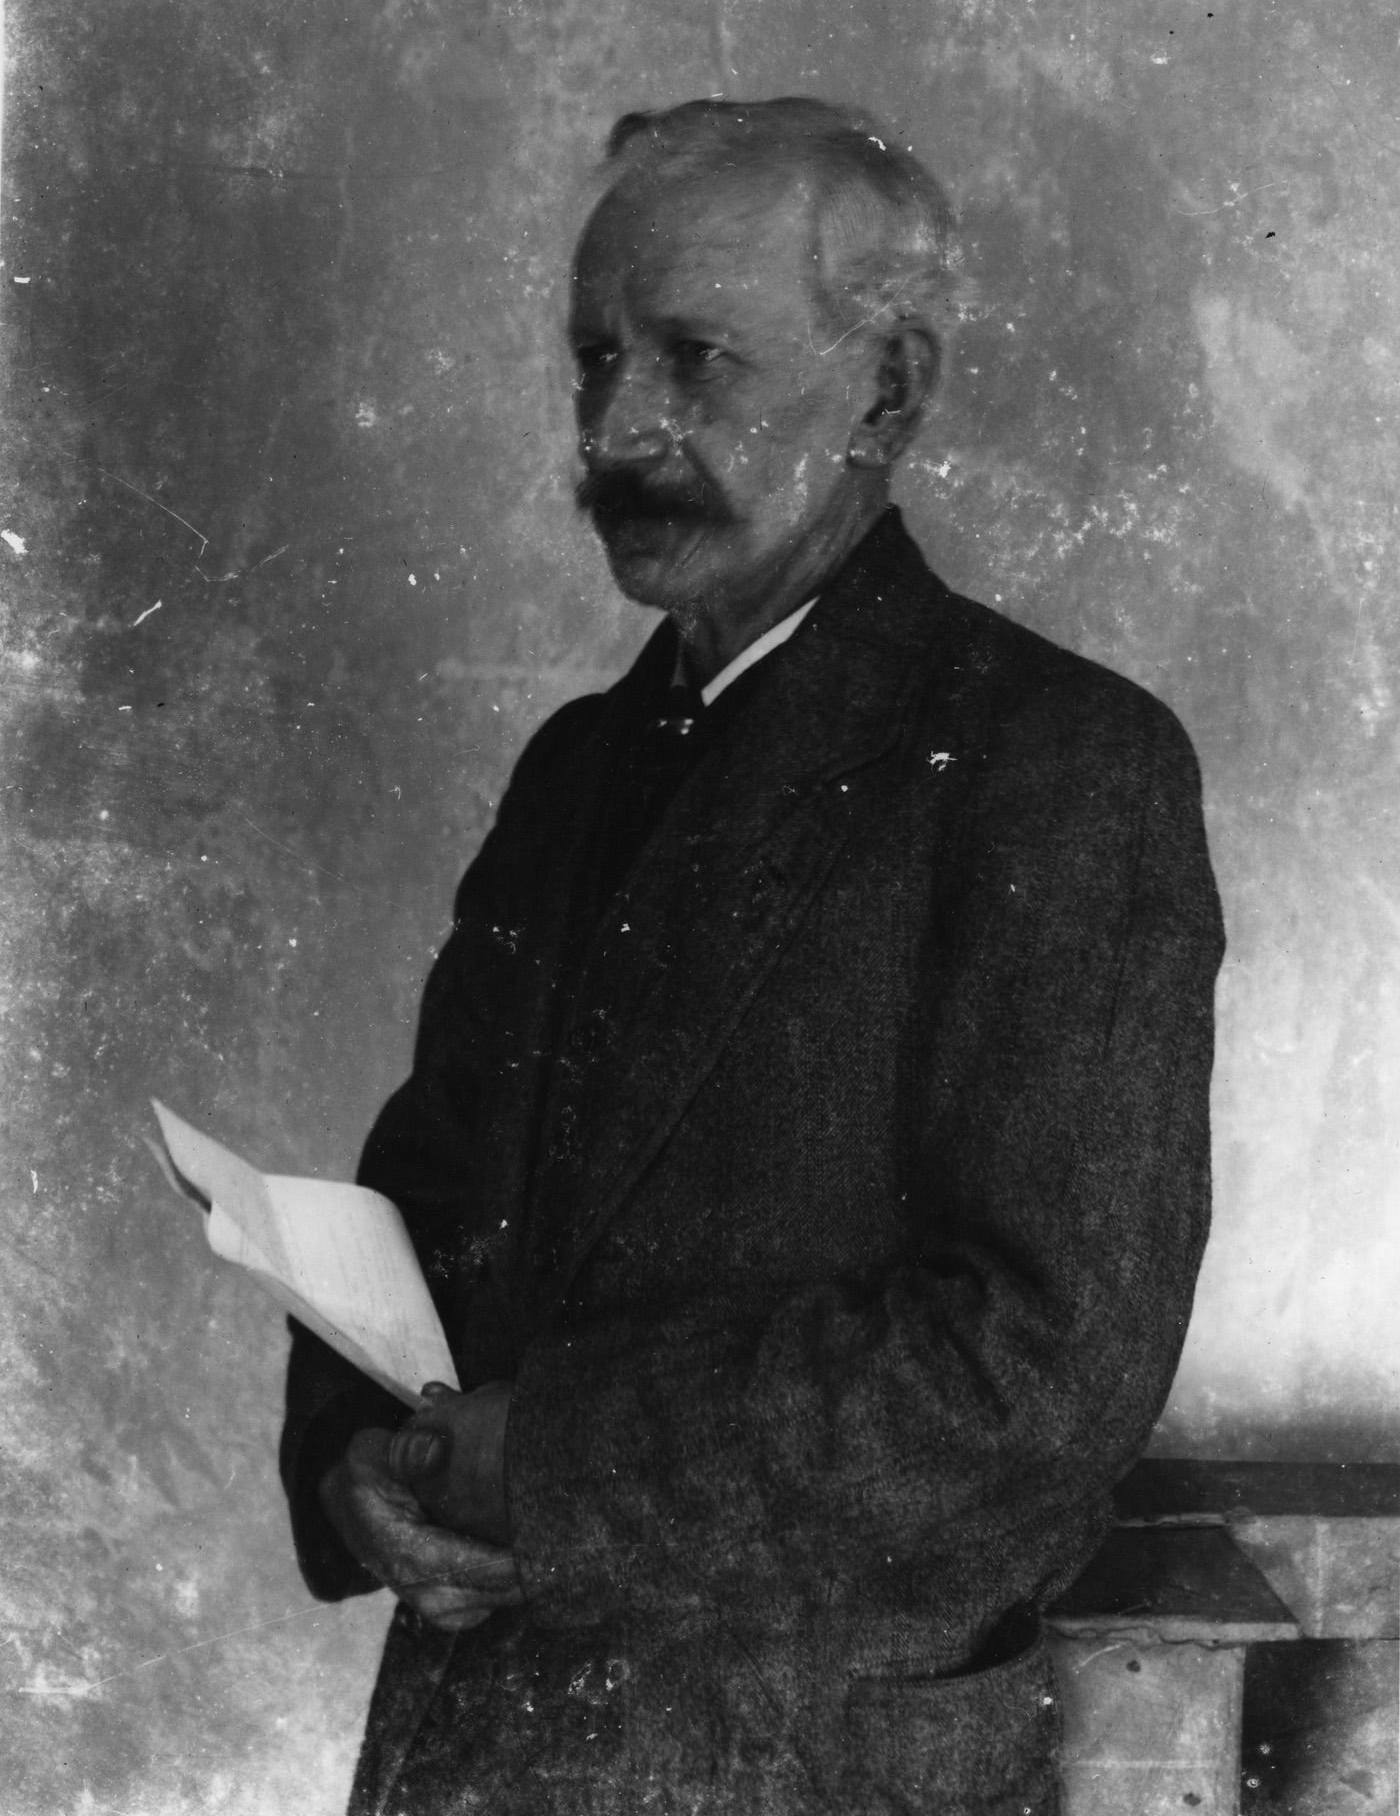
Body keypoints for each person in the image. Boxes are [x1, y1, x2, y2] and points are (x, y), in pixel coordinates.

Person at [280, 97, 1224, 1816]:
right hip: (475, 1747)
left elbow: (1039, 1376)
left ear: (890, 389)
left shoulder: (1060, 767)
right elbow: (420, 1202)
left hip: (809, 1768)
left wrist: (546, 1469)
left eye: (696, 357)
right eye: (593, 357)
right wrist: (356, 1467)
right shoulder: (576, 768)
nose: (617, 425)